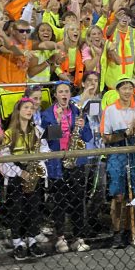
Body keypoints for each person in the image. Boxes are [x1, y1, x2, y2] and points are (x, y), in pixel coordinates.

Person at [40, 80, 93, 253]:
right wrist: (58, 121)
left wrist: (83, 126)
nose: (64, 94)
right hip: (57, 163)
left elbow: (87, 137)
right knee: (59, 202)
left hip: (76, 161)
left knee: (78, 201)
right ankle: (60, 237)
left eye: (67, 92)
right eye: (61, 92)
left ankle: (78, 237)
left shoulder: (78, 111)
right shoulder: (47, 114)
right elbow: (48, 140)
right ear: (55, 95)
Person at [100, 78, 135, 248]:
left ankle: (130, 230)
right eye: (124, 88)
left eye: (130, 88)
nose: (128, 92)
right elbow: (106, 137)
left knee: (134, 195)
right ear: (118, 90)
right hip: (117, 154)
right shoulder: (110, 110)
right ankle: (117, 232)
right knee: (118, 195)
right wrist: (124, 134)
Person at [0, 97, 50, 260]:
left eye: (31, 108)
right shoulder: (9, 133)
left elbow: (46, 151)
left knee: (33, 209)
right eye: (26, 108)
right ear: (18, 111)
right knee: (17, 210)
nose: (29, 111)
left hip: (33, 173)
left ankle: (32, 239)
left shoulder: (37, 131)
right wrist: (19, 172)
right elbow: (3, 158)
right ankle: (17, 243)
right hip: (16, 175)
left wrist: (37, 163)